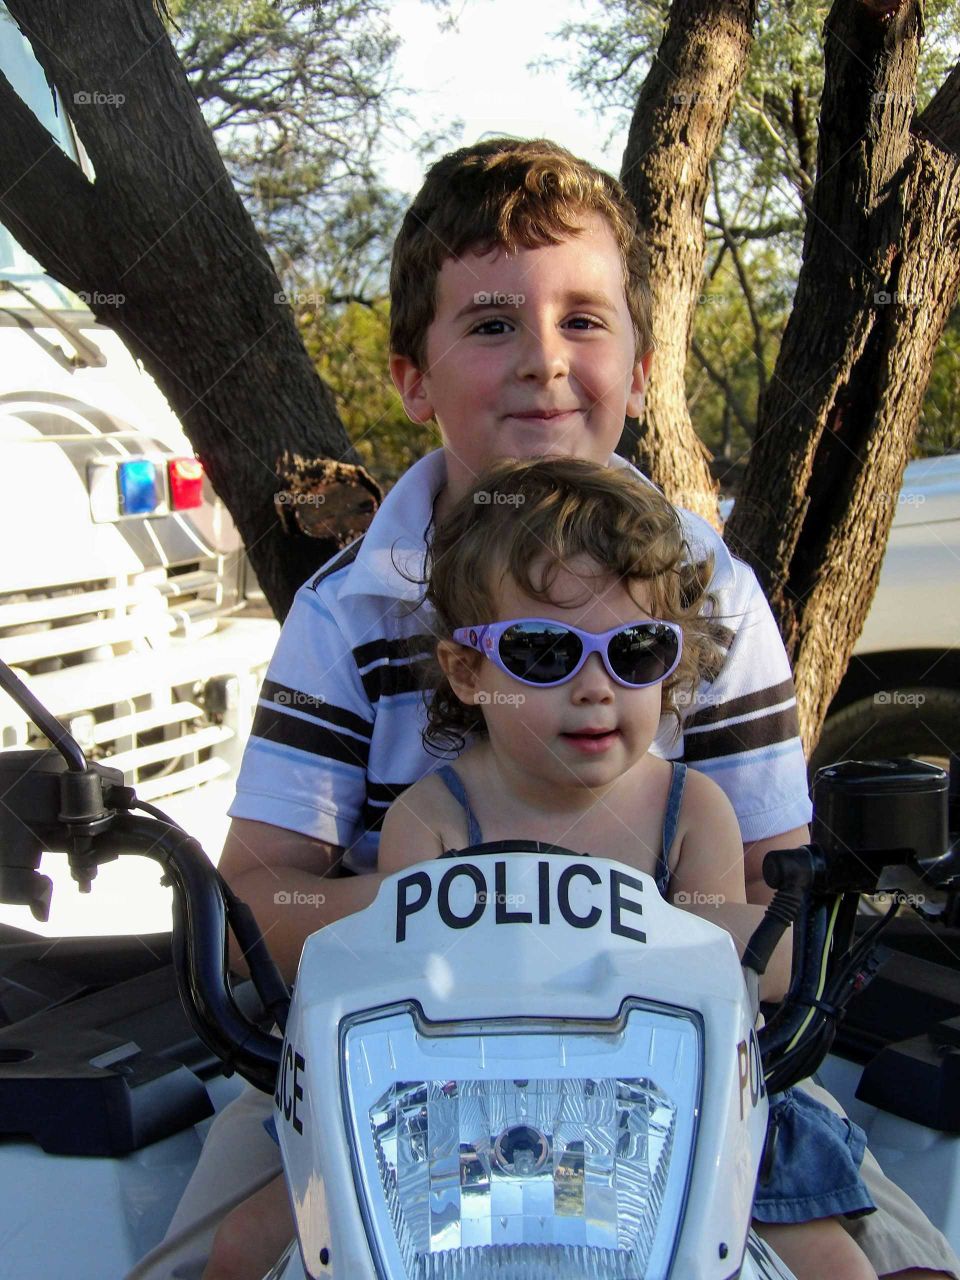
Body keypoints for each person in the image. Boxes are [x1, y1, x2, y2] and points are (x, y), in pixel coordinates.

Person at [132, 137, 958, 1280]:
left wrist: (633, 924)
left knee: (881, 1252)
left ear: (640, 358)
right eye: (489, 324)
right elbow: (257, 899)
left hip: (683, 1071)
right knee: (220, 1251)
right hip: (387, 1076)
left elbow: (768, 911)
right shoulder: (348, 614)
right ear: (411, 377)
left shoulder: (711, 595)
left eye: (584, 319)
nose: (544, 362)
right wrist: (480, 908)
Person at [205, 456, 874, 1280]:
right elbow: (390, 984)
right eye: (542, 652)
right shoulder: (436, 814)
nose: (596, 689)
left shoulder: (691, 811)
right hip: (458, 1119)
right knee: (241, 1246)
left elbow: (740, 972)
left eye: (635, 649)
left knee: (838, 1266)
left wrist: (770, 934)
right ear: (466, 672)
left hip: (673, 1114)